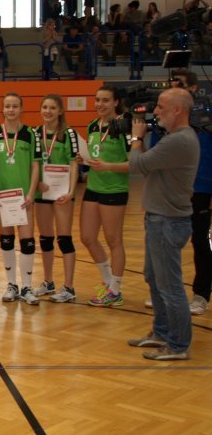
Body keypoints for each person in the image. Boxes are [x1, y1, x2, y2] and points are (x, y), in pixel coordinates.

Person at [89, 88, 199, 360]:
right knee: (153, 277)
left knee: (170, 285)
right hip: (158, 218)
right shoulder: (174, 138)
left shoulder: (179, 140)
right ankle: (161, 332)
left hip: (168, 221)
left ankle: (178, 345)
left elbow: (137, 165)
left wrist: (136, 138)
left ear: (178, 110)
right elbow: (148, 164)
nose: (156, 112)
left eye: (161, 107)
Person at [145, 71, 212, 316]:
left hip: (200, 189)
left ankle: (201, 294)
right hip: (167, 192)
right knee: (162, 247)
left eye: (180, 84)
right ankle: (165, 294)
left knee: (200, 242)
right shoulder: (164, 124)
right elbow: (152, 157)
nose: (174, 87)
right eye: (171, 84)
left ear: (193, 88)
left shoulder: (205, 121)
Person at [0, 92, 41, 304]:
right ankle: (11, 285)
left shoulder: (30, 134)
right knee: (6, 239)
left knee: (27, 241)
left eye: (15, 106)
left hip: (24, 198)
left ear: (21, 109)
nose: (11, 110)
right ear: (2, 109)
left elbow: (35, 165)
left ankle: (27, 286)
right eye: (7, 106)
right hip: (2, 198)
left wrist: (31, 193)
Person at [80, 85, 129, 307]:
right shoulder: (92, 126)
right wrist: (83, 160)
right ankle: (108, 281)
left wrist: (108, 166)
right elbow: (95, 154)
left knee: (113, 240)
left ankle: (115, 290)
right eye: (97, 99)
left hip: (114, 190)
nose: (100, 104)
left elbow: (135, 163)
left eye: (105, 100)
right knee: (87, 237)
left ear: (116, 102)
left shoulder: (123, 127)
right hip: (93, 188)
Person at [32, 95, 79, 303]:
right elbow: (32, 164)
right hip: (42, 192)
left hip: (62, 194)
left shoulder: (69, 134)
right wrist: (37, 184)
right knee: (45, 238)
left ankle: (68, 287)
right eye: (44, 107)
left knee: (64, 239)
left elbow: (74, 163)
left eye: (52, 108)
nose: (48, 111)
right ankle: (48, 282)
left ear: (60, 111)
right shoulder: (35, 133)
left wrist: (71, 191)